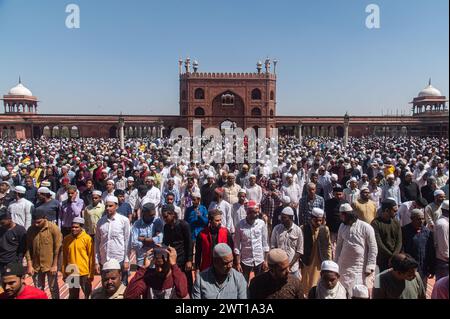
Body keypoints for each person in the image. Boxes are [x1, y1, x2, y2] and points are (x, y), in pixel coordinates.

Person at [335, 203, 377, 297]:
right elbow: (338, 246)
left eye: (342, 216)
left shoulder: (366, 227)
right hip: (343, 267)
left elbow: (373, 248)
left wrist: (370, 266)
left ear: (348, 215)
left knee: (358, 293)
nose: (341, 219)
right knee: (343, 292)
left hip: (359, 267)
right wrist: (336, 263)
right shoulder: (342, 226)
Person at [25, 209, 62, 299]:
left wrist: (54, 265)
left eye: (38, 222)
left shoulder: (53, 228)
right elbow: (27, 248)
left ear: (45, 218)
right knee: (38, 290)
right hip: (36, 266)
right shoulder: (31, 229)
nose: (36, 224)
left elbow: (58, 248)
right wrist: (29, 265)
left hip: (50, 265)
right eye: (34, 222)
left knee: (53, 288)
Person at [95, 195, 131, 286]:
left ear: (117, 206)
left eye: (110, 206)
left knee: (122, 285)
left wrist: (126, 260)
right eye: (106, 206)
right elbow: (97, 242)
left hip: (119, 259)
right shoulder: (100, 222)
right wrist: (97, 261)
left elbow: (127, 241)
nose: (107, 208)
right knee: (107, 285)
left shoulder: (124, 221)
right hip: (105, 260)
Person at [234, 199, 270, 283]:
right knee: (244, 283)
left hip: (259, 259)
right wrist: (238, 263)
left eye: (257, 212)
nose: (257, 214)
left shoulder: (261, 224)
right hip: (245, 260)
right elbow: (236, 246)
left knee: (259, 284)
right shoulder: (240, 225)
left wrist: (266, 260)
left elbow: (265, 243)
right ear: (248, 213)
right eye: (255, 212)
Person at [161, 204, 193, 294]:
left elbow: (189, 243)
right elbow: (166, 243)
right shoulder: (166, 227)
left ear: (173, 214)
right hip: (173, 260)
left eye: (166, 216)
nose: (165, 219)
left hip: (184, 260)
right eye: (163, 217)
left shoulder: (184, 225)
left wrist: (189, 260)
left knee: (187, 282)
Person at [300, 208, 332, 294]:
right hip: (307, 261)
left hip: (320, 260)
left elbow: (328, 246)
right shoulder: (304, 228)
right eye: (316, 220)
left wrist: (329, 259)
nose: (318, 223)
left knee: (318, 282)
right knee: (306, 283)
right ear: (311, 219)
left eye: (320, 221)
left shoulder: (325, 229)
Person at [62, 217, 95, 299]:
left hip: (84, 272)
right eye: (72, 227)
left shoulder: (87, 238)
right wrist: (64, 273)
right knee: (73, 295)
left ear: (81, 227)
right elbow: (65, 257)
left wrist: (91, 273)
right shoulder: (66, 239)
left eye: (76, 227)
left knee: (88, 295)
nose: (74, 229)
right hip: (72, 272)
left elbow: (91, 257)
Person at [401, 209, 435, 285]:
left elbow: (431, 251)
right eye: (419, 219)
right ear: (412, 218)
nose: (421, 221)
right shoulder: (404, 231)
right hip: (409, 269)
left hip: (423, 269)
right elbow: (402, 249)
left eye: (423, 219)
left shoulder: (427, 232)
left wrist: (432, 269)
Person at [270, 206, 304, 278]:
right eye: (281, 217)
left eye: (284, 218)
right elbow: (273, 247)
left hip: (293, 269)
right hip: (279, 269)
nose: (281, 220)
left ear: (291, 218)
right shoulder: (276, 229)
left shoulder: (298, 230)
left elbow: (299, 251)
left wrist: (289, 265)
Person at [372, 199, 403, 272]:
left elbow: (399, 241)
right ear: (387, 210)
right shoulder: (375, 223)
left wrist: (394, 256)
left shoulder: (396, 222)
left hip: (395, 260)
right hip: (382, 260)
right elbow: (379, 243)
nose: (396, 213)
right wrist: (391, 256)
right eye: (394, 211)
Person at [130, 203, 164, 268]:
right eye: (151, 215)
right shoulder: (137, 224)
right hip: (141, 257)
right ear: (144, 214)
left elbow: (160, 239)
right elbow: (133, 242)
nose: (153, 216)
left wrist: (144, 240)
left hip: (154, 255)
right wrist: (146, 243)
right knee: (141, 275)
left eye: (154, 214)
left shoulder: (158, 222)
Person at [324, 186, 348, 257]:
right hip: (331, 229)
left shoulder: (345, 202)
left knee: (342, 245)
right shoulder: (328, 203)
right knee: (331, 246)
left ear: (343, 194)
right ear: (333, 194)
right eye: (337, 194)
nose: (339, 196)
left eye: (340, 194)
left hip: (342, 228)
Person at [434, 200, 448, 280]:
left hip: (445, 260)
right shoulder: (443, 224)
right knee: (443, 285)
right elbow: (444, 247)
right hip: (444, 261)